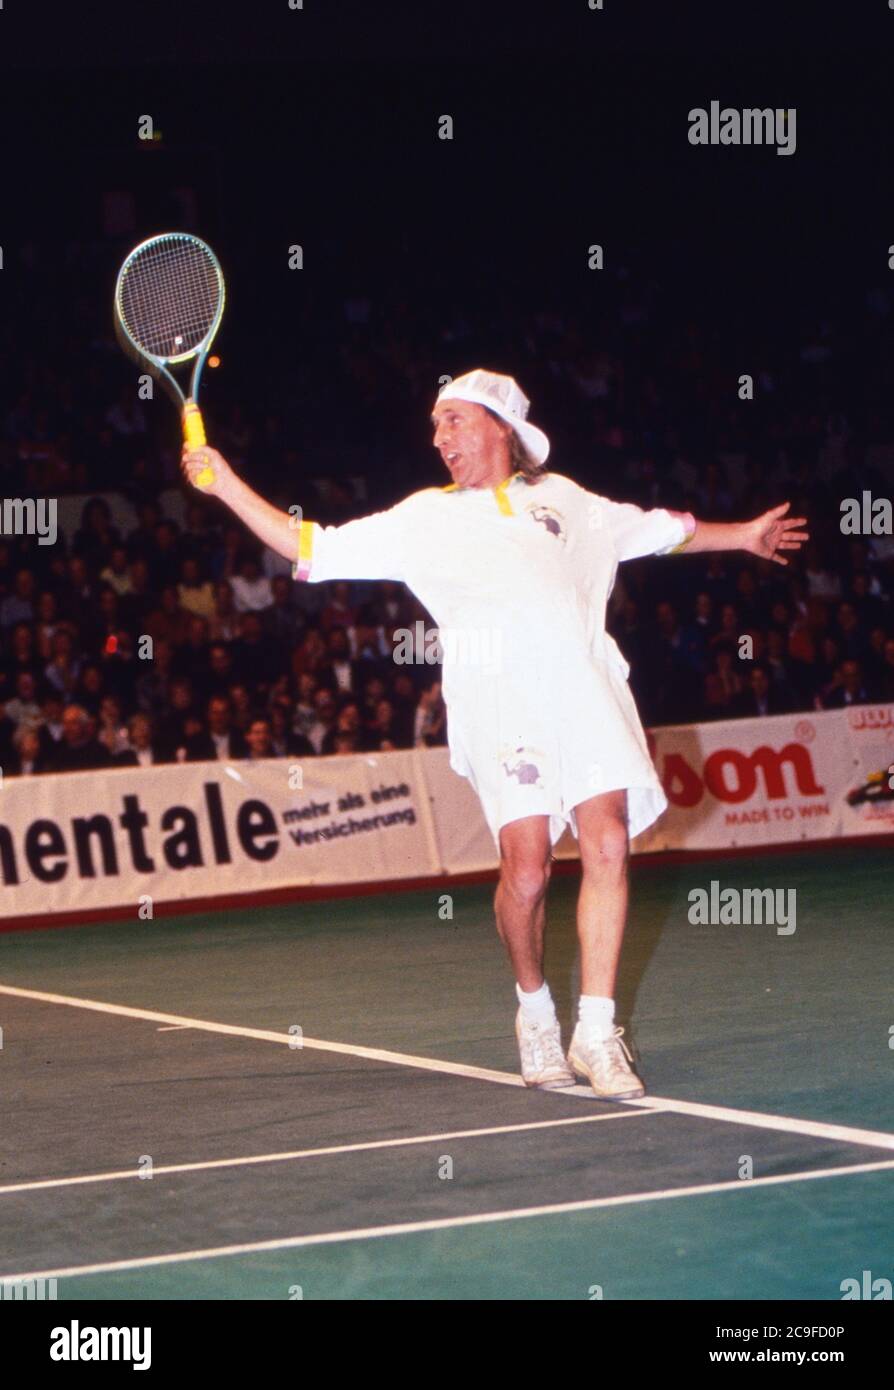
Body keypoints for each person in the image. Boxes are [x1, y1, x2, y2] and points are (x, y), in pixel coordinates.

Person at [182, 368, 809, 1099]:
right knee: (530, 869)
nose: (438, 436)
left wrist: (747, 537)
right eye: (436, 424)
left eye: (453, 420)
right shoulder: (422, 517)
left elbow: (670, 532)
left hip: (586, 687)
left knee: (608, 841)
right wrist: (224, 483)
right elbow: (306, 545)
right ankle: (534, 1010)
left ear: (500, 427)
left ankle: (597, 1031)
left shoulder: (569, 501)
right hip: (499, 704)